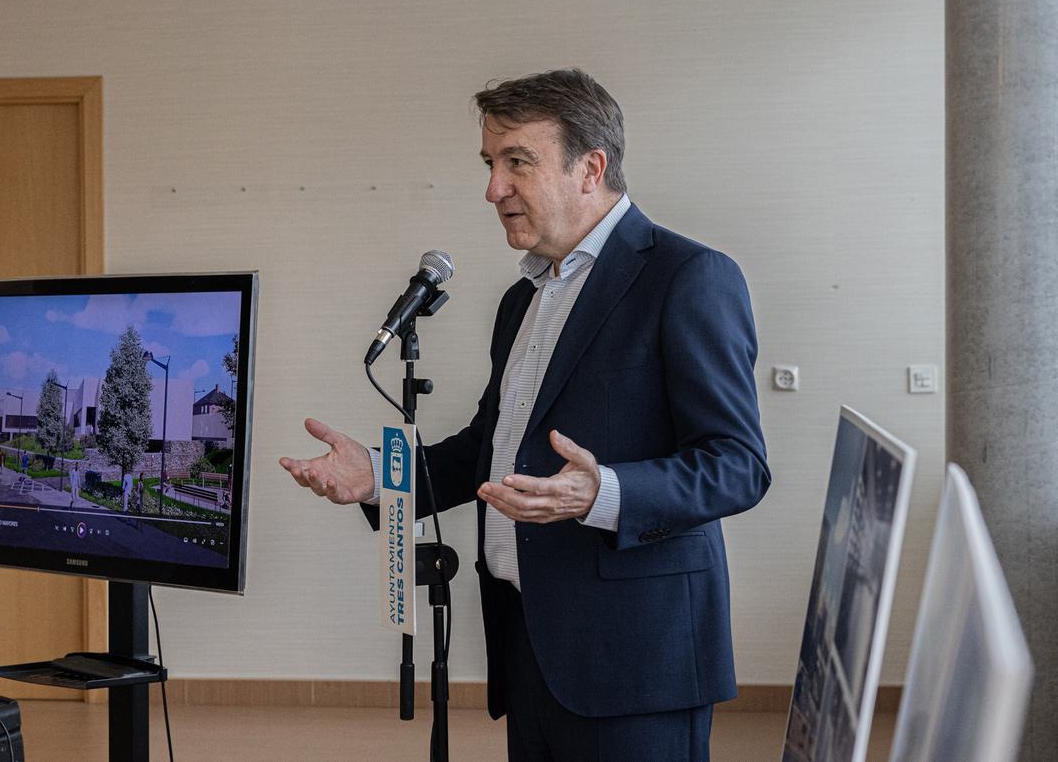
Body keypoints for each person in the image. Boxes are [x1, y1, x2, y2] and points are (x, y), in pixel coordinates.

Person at [279, 69, 770, 762]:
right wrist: (381, 477)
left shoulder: (687, 277)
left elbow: (737, 464)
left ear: (589, 169)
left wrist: (604, 492)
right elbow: (491, 447)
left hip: (636, 665)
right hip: (531, 645)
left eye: (517, 162)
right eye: (489, 164)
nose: (493, 189)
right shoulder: (524, 298)